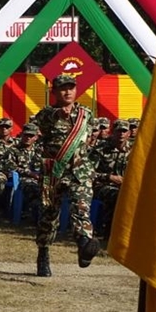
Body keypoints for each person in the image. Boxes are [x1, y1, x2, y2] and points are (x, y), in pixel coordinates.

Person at [32, 74, 100, 277]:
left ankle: (84, 245)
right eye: (62, 88)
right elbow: (41, 126)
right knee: (49, 216)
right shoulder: (46, 114)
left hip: (80, 172)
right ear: (54, 92)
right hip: (54, 172)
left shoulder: (85, 113)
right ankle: (43, 253)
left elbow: (90, 137)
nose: (67, 92)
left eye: (71, 87)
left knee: (81, 208)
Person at [90, 119, 132, 239]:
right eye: (119, 131)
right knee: (116, 195)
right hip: (102, 186)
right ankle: (110, 233)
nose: (121, 134)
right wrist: (108, 177)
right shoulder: (100, 149)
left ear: (129, 133)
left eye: (124, 131)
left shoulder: (134, 150)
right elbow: (87, 171)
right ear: (113, 132)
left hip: (127, 186)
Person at [5, 123, 42, 221]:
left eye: (31, 136)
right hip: (22, 179)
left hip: (40, 178)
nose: (28, 138)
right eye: (26, 135)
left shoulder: (40, 150)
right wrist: (29, 173)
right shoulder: (13, 150)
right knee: (34, 188)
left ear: (36, 137)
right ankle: (35, 216)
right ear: (21, 134)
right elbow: (10, 166)